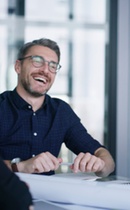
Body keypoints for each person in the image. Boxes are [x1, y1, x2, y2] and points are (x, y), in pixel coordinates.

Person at [0, 38, 115, 177]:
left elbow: (107, 161)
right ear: (18, 66)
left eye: (53, 66)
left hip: (48, 197)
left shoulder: (61, 111)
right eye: (37, 61)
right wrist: (21, 167)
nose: (45, 70)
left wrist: (100, 164)